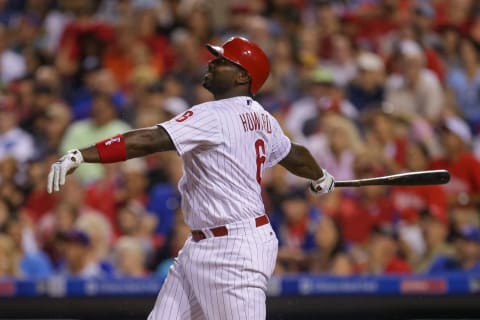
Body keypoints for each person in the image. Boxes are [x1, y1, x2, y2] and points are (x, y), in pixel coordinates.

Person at [47, 36, 335, 320]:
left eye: (223, 60)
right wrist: (320, 176)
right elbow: (293, 154)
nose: (212, 62)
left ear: (242, 76)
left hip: (233, 251)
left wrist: (83, 154)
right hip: (204, 244)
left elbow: (151, 139)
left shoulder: (214, 114)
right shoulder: (262, 117)